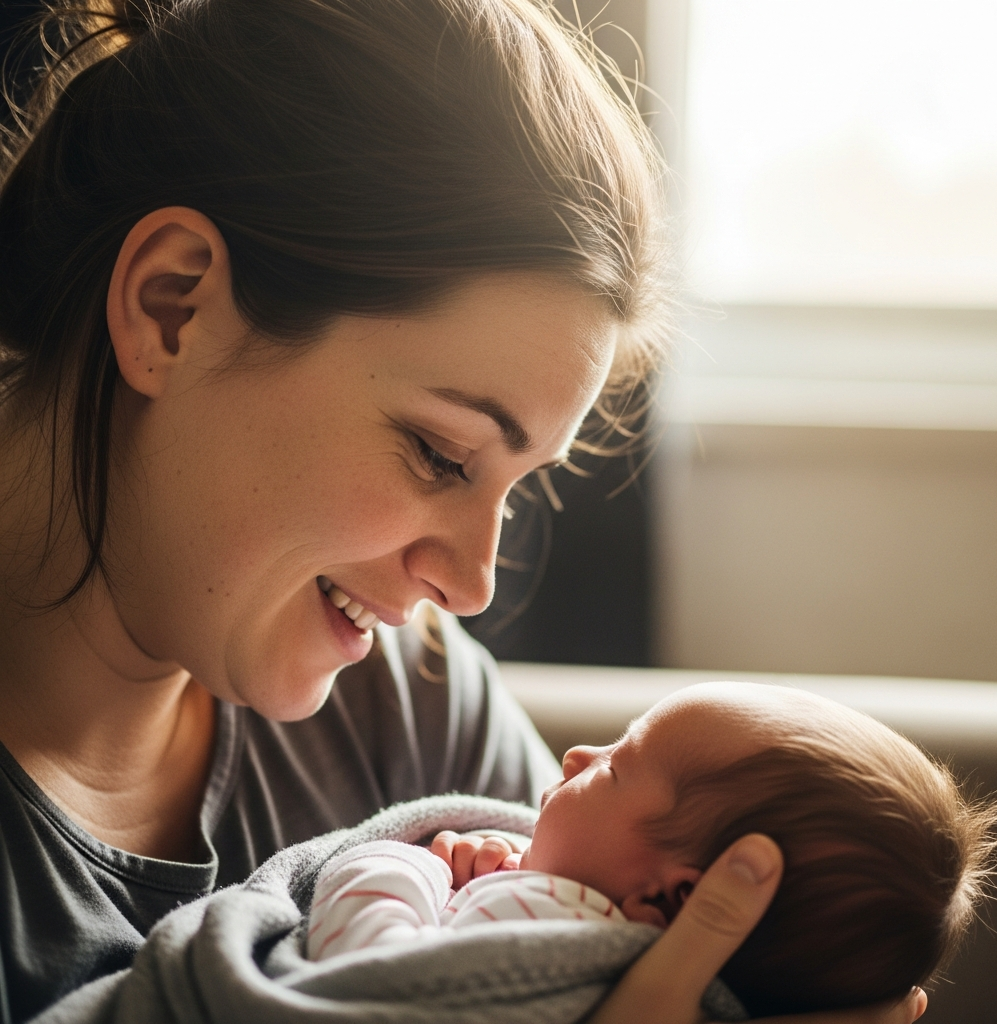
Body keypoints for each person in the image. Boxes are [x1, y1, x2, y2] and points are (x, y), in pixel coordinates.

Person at [0, 1, 926, 1022]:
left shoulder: (416, 709)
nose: (472, 585)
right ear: (172, 305)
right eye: (439, 453)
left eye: (516, 486)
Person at [308, 683, 997, 1016]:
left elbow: (366, 962)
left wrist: (412, 863)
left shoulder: (541, 929)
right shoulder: (568, 929)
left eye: (615, 768)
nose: (578, 754)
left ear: (665, 899)